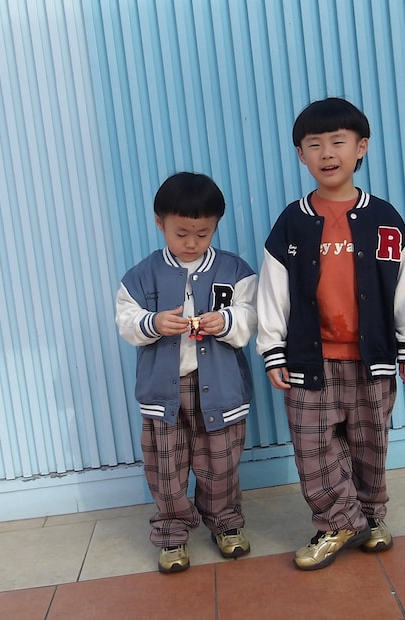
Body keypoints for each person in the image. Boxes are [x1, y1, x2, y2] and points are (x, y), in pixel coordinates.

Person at [256, 97, 405, 571]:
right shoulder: (292, 222)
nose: (327, 153)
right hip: (309, 361)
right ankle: (336, 522)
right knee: (313, 446)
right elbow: (272, 290)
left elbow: (404, 285)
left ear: (361, 148)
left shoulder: (384, 218)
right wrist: (273, 348)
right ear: (301, 155)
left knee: (369, 444)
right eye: (314, 144)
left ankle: (370, 518)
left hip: (373, 358)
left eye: (338, 141)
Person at [116, 172, 258, 573]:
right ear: (159, 222)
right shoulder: (141, 275)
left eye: (202, 233)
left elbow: (252, 315)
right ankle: (171, 534)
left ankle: (226, 524)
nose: (192, 243)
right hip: (164, 392)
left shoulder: (235, 270)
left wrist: (226, 321)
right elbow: (126, 321)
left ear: (216, 225)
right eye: (181, 233)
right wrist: (153, 323)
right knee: (165, 467)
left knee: (221, 463)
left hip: (221, 389)